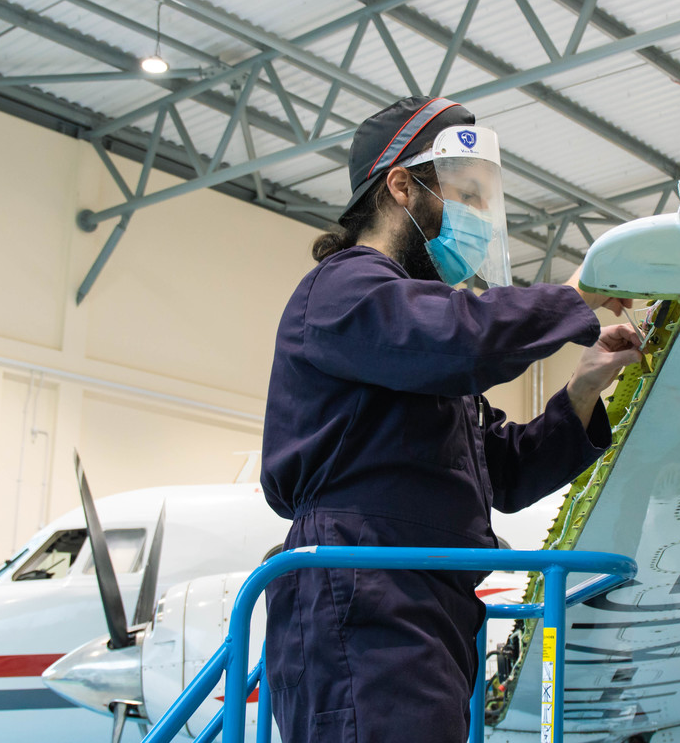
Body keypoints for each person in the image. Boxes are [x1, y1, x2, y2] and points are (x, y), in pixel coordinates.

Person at [260, 96, 641, 743]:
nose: (474, 215)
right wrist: (570, 298)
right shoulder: (343, 291)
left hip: (429, 594)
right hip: (363, 589)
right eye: (460, 193)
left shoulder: (418, 341)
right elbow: (463, 341)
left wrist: (582, 389)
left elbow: (503, 474)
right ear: (401, 185)